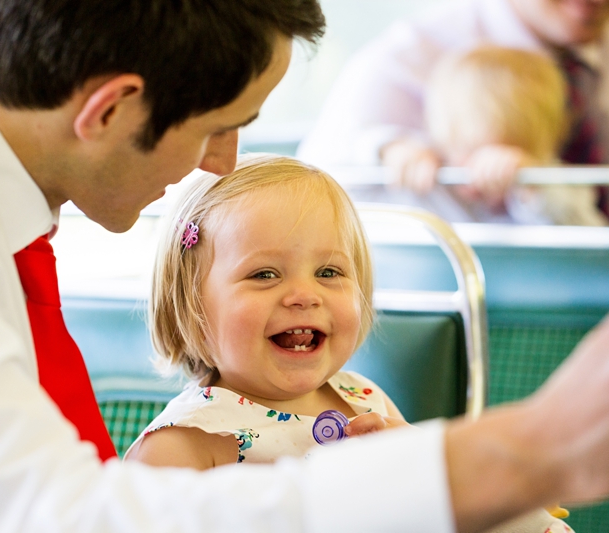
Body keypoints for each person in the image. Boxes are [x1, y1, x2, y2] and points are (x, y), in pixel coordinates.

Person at [0, 0, 609, 532]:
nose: (221, 163)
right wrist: (520, 450)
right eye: (219, 126)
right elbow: (50, 516)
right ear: (108, 109)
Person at [125, 154, 572, 533]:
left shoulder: (362, 398)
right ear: (190, 306)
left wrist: (422, 463)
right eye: (264, 274)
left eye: (329, 272)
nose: (305, 294)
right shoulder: (183, 444)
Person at [297, 0, 609, 225]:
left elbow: (581, 221)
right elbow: (318, 191)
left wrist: (531, 180)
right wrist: (389, 147)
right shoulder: (405, 59)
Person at [421, 45, 608, 225]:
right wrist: (406, 158)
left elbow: (588, 236)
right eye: (457, 150)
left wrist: (532, 185)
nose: (471, 167)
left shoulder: (558, 185)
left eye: (480, 153)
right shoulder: (444, 182)